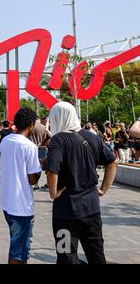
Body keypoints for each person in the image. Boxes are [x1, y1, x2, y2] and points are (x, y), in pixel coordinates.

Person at [46, 102, 118, 264]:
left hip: (65, 211)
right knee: (96, 256)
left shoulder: (58, 140)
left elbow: (52, 171)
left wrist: (52, 193)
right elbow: (113, 162)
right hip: (92, 209)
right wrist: (103, 189)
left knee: (66, 258)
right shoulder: (93, 137)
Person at [0, 108, 42, 264]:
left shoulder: (6, 141)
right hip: (21, 205)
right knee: (19, 251)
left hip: (7, 202)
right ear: (31, 124)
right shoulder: (29, 147)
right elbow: (32, 179)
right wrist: (41, 165)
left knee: (18, 246)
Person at [28, 119, 51, 190]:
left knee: (32, 165)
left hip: (31, 148)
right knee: (41, 166)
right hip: (42, 148)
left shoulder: (29, 127)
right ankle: (42, 184)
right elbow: (49, 139)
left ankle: (36, 183)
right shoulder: (43, 128)